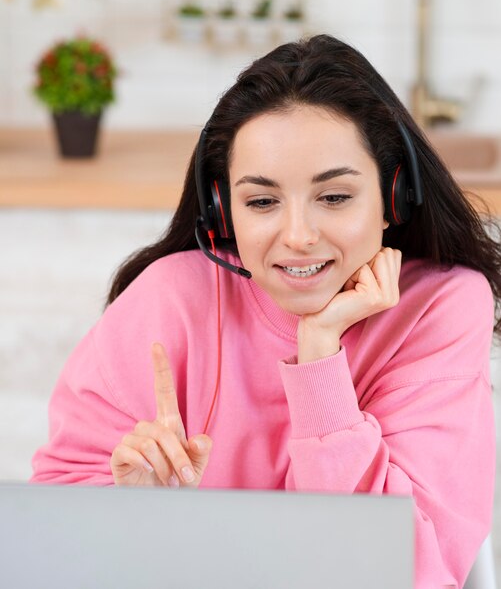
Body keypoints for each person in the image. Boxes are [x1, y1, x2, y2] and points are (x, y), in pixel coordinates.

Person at [31, 34, 501, 589]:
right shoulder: (167, 299)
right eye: (261, 201)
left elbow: (401, 572)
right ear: (221, 211)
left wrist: (320, 354)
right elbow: (53, 540)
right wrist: (137, 518)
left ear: (392, 198)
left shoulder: (440, 308)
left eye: (334, 197)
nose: (298, 237)